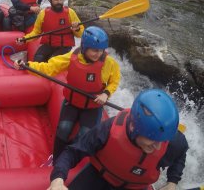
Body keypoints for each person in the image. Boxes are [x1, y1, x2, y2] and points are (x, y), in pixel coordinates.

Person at [14, 26, 121, 162]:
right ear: (84, 47)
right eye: (94, 50)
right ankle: (56, 157)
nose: (98, 54)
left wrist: (106, 93)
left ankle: (72, 156)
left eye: (101, 50)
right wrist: (27, 65)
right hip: (72, 101)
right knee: (63, 129)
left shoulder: (110, 63)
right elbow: (49, 67)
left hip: (92, 106)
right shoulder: (72, 57)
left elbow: (115, 80)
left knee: (85, 134)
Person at [48, 89, 188, 190]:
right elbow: (72, 152)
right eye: (153, 140)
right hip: (99, 176)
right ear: (134, 128)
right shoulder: (107, 130)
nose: (158, 147)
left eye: (162, 140)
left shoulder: (172, 141)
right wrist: (57, 180)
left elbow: (181, 154)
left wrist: (172, 182)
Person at [17, 0, 84, 62]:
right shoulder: (43, 13)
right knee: (38, 58)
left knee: (52, 60)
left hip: (64, 47)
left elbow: (81, 34)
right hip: (49, 45)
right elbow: (36, 32)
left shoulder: (70, 13)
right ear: (50, 0)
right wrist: (24, 39)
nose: (59, 2)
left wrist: (77, 29)